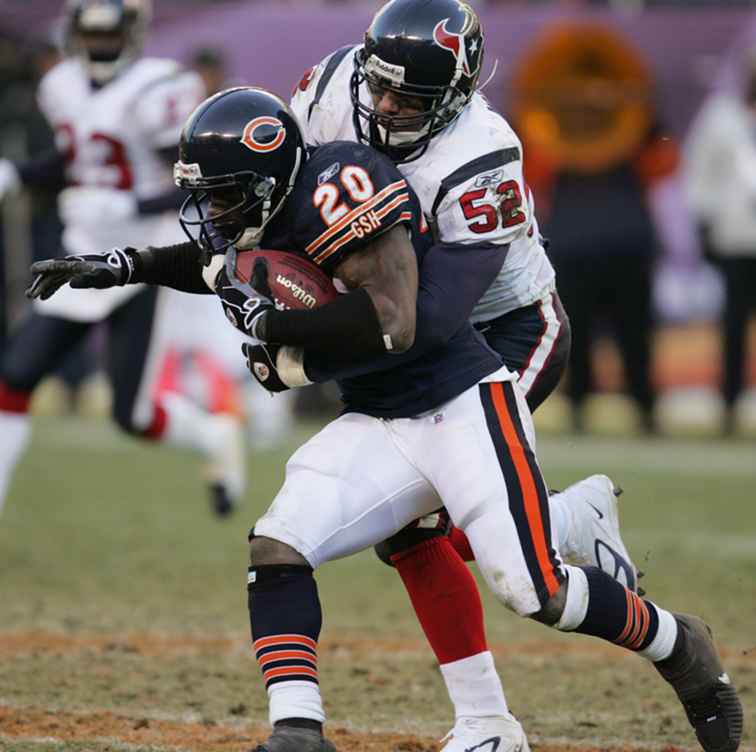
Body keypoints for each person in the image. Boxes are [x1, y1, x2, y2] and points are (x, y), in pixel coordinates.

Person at [29, 86, 743, 752]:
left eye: (222, 198)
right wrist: (123, 264)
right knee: (278, 545)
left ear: (270, 180)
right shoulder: (260, 205)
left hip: (461, 402)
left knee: (536, 590)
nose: (213, 215)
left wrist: (279, 329)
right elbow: (213, 261)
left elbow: (395, 323)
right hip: (379, 417)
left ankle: (679, 644)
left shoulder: (345, 189)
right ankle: (298, 730)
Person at [285, 0, 644, 744]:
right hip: (405, 328)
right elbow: (284, 203)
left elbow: (436, 316)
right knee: (415, 532)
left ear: (454, 96)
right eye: (378, 87)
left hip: (504, 329)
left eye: (407, 99)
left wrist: (302, 343)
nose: (383, 107)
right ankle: (488, 717)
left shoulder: (483, 154)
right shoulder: (327, 90)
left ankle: (560, 537)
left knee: (432, 521)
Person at [0, 0, 245, 516]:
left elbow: (194, 180)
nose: (99, 46)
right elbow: (78, 155)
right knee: (16, 375)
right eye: (91, 35)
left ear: (131, 33)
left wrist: (130, 203)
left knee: (130, 415)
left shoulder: (160, 87)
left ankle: (213, 434)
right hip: (80, 248)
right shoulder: (61, 84)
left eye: (108, 35)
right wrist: (19, 174)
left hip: (142, 258)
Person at [684, 52, 756, 435]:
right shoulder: (722, 117)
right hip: (737, 237)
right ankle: (729, 403)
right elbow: (700, 170)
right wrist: (705, 223)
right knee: (734, 325)